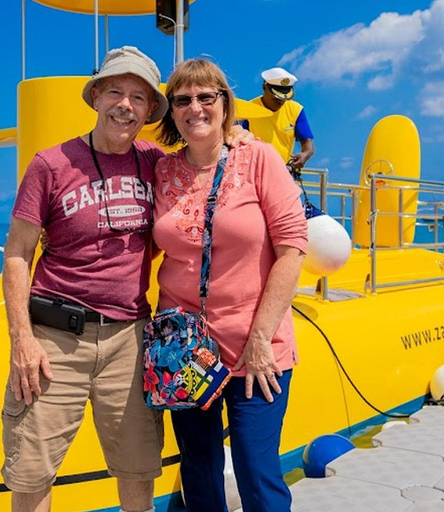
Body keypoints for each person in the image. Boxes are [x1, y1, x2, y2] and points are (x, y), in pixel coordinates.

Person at [154, 59, 308, 512]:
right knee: (199, 471)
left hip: (254, 347)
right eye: (183, 100)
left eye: (207, 97)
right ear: (171, 111)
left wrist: (261, 336)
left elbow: (293, 247)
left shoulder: (258, 158)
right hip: (185, 348)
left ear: (225, 103)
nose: (195, 108)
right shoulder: (161, 171)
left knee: (256, 472)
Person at [245, 67, 315, 170]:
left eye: (284, 98)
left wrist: (306, 154)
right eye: (277, 98)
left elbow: (307, 142)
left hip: (284, 171)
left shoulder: (296, 110)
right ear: (264, 88)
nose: (281, 102)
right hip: (254, 171)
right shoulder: (247, 110)